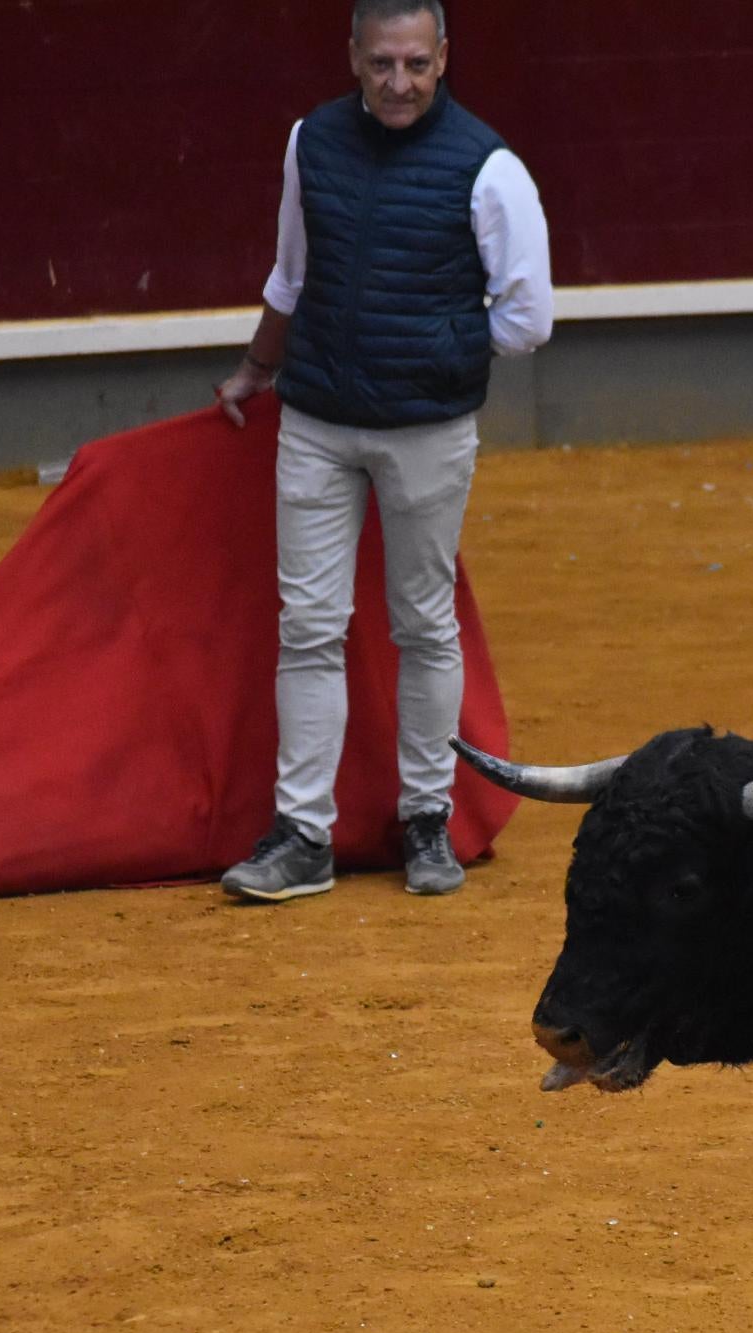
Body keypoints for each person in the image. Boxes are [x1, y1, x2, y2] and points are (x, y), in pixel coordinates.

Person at [213, 0, 552, 902]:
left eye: (415, 65)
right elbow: (292, 274)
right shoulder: (311, 142)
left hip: (429, 431)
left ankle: (426, 820)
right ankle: (303, 835)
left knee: (422, 623)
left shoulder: (489, 166)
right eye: (380, 65)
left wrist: (434, 344)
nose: (398, 84)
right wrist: (257, 366)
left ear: (443, 58)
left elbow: (528, 319)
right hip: (317, 419)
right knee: (310, 625)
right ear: (354, 59)